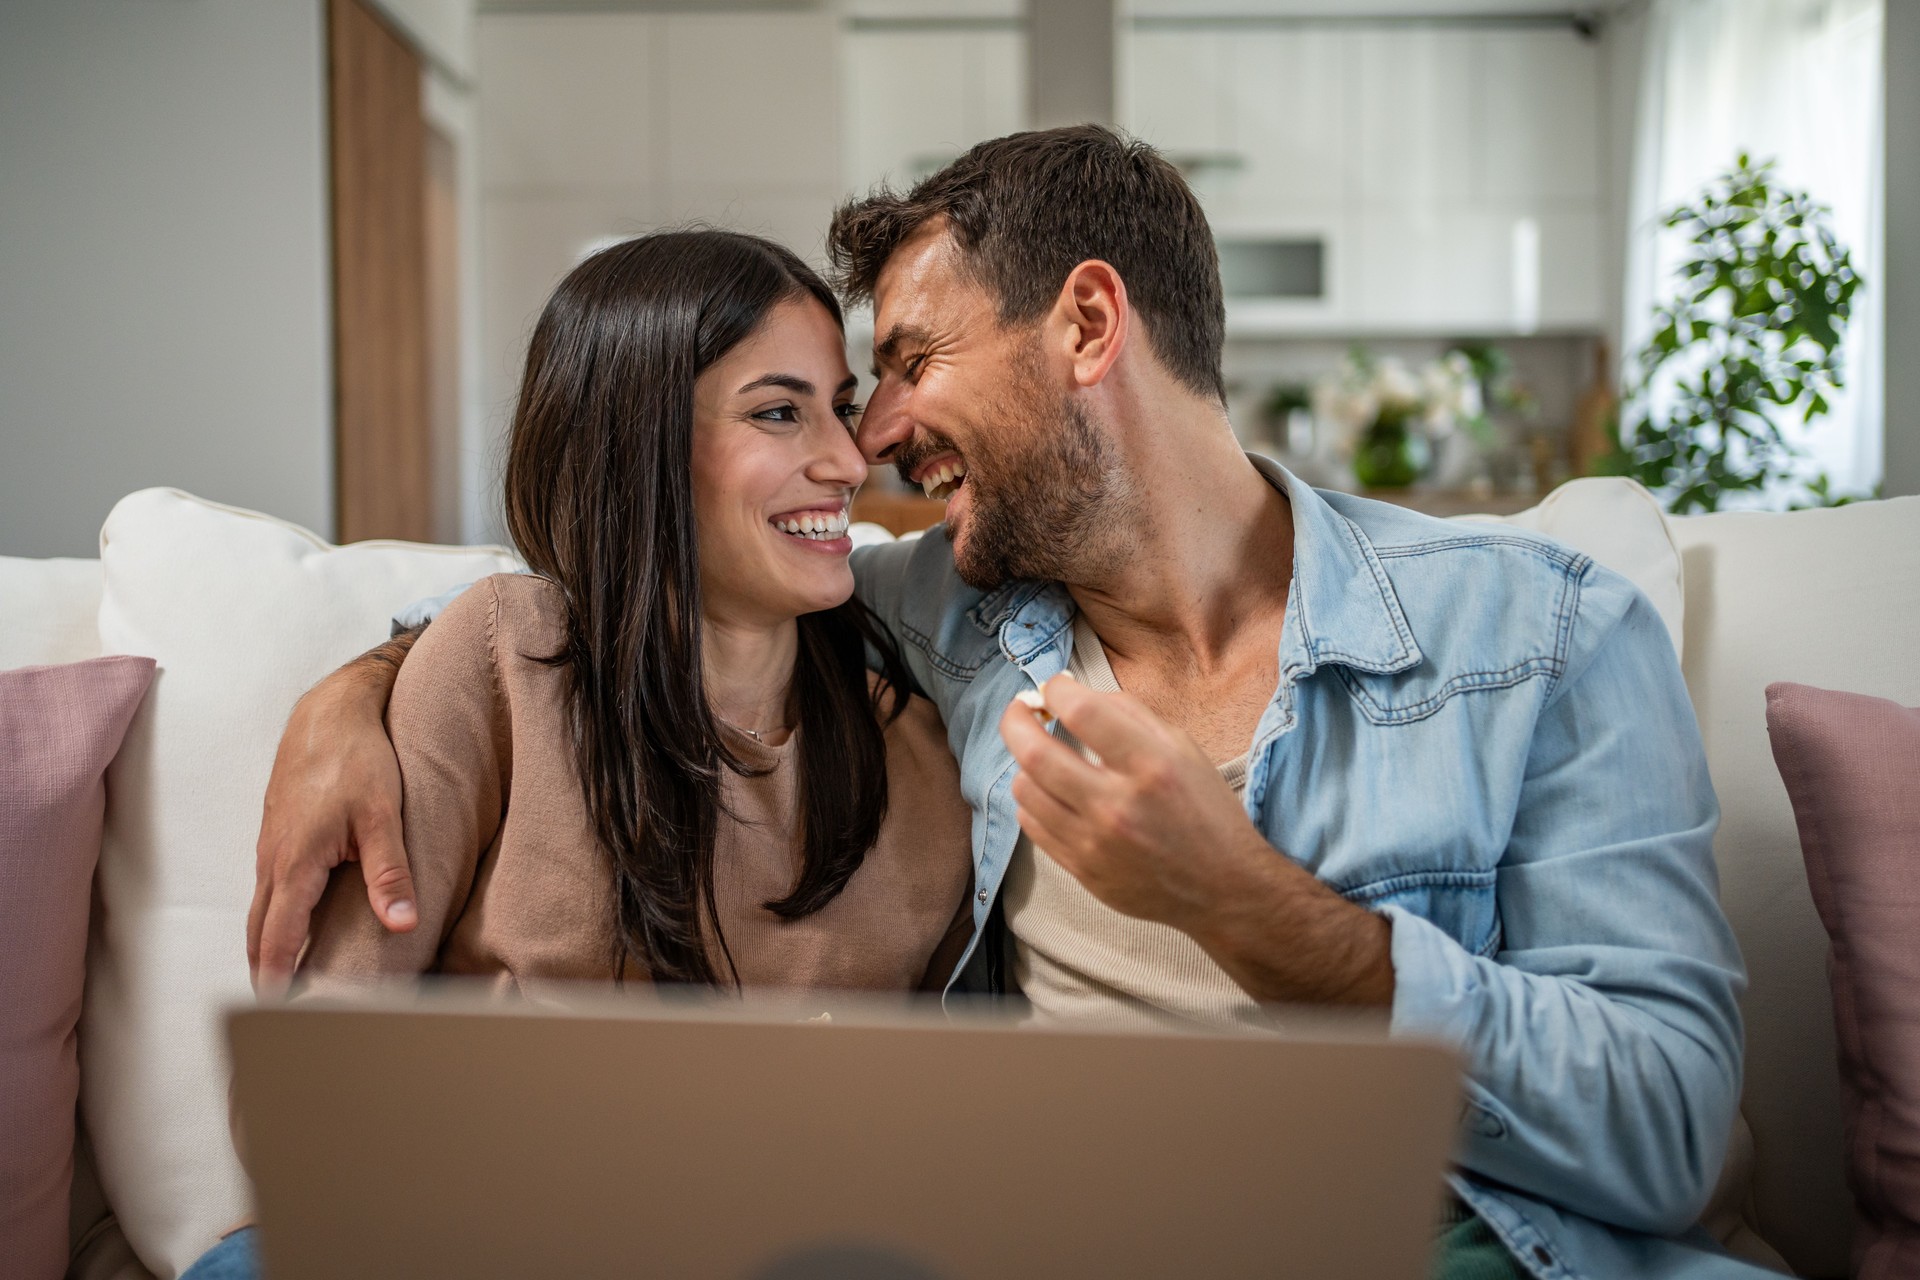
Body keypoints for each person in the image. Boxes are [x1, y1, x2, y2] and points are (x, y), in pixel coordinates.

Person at [251, 128, 1766, 1279]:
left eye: (903, 365)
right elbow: (643, 583)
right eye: (838, 400)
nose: (875, 441)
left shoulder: (1539, 633)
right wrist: (362, 685)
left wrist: (1257, 912)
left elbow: (1676, 1128)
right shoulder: (945, 622)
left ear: (1090, 327)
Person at [185, 230, 974, 1279]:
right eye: (780, 410)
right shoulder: (502, 654)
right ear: (638, 441)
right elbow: (309, 1096)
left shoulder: (916, 757)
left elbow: (940, 1162)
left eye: (836, 404)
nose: (844, 456)